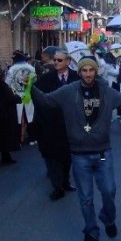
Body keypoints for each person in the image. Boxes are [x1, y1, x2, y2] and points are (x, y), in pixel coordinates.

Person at [29, 56, 121, 241]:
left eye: (91, 70)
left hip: (101, 153)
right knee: (86, 198)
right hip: (80, 154)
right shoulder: (69, 91)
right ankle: (91, 231)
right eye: (84, 70)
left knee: (109, 190)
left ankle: (108, 218)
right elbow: (47, 101)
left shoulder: (106, 92)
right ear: (80, 72)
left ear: (96, 71)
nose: (88, 74)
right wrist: (30, 88)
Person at [34, 48, 79, 200]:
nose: (56, 62)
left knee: (67, 156)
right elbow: (37, 97)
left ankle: (66, 181)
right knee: (53, 157)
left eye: (59, 60)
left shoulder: (76, 78)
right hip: (51, 124)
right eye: (54, 60)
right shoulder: (46, 79)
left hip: (70, 124)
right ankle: (57, 187)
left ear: (68, 62)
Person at [0, 67, 21, 166]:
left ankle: (5, 157)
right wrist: (17, 98)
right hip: (3, 116)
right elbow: (9, 98)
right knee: (0, 138)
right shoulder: (2, 86)